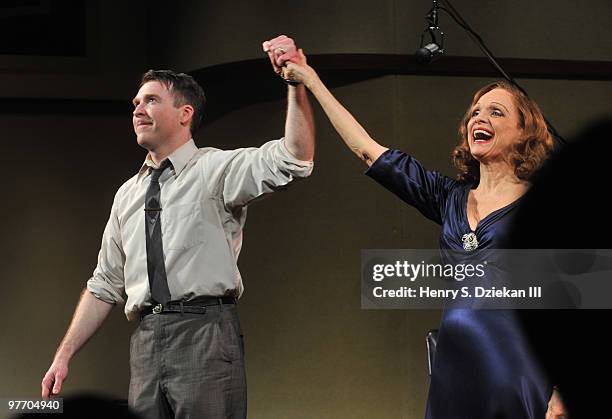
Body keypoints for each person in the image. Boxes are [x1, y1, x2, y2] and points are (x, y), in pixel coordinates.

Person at [263, 35, 567, 418]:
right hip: (455, 368)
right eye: (475, 112)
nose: (480, 118)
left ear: (525, 132)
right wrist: (310, 79)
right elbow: (365, 147)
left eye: (496, 112)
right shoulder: (448, 197)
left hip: (519, 368)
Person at [41, 63, 315, 419]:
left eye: (151, 100)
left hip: (204, 331)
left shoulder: (214, 169)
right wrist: (63, 356)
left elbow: (295, 158)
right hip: (146, 339)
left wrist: (295, 84)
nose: (138, 109)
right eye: (136, 102)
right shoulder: (127, 194)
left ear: (185, 113)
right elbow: (105, 284)